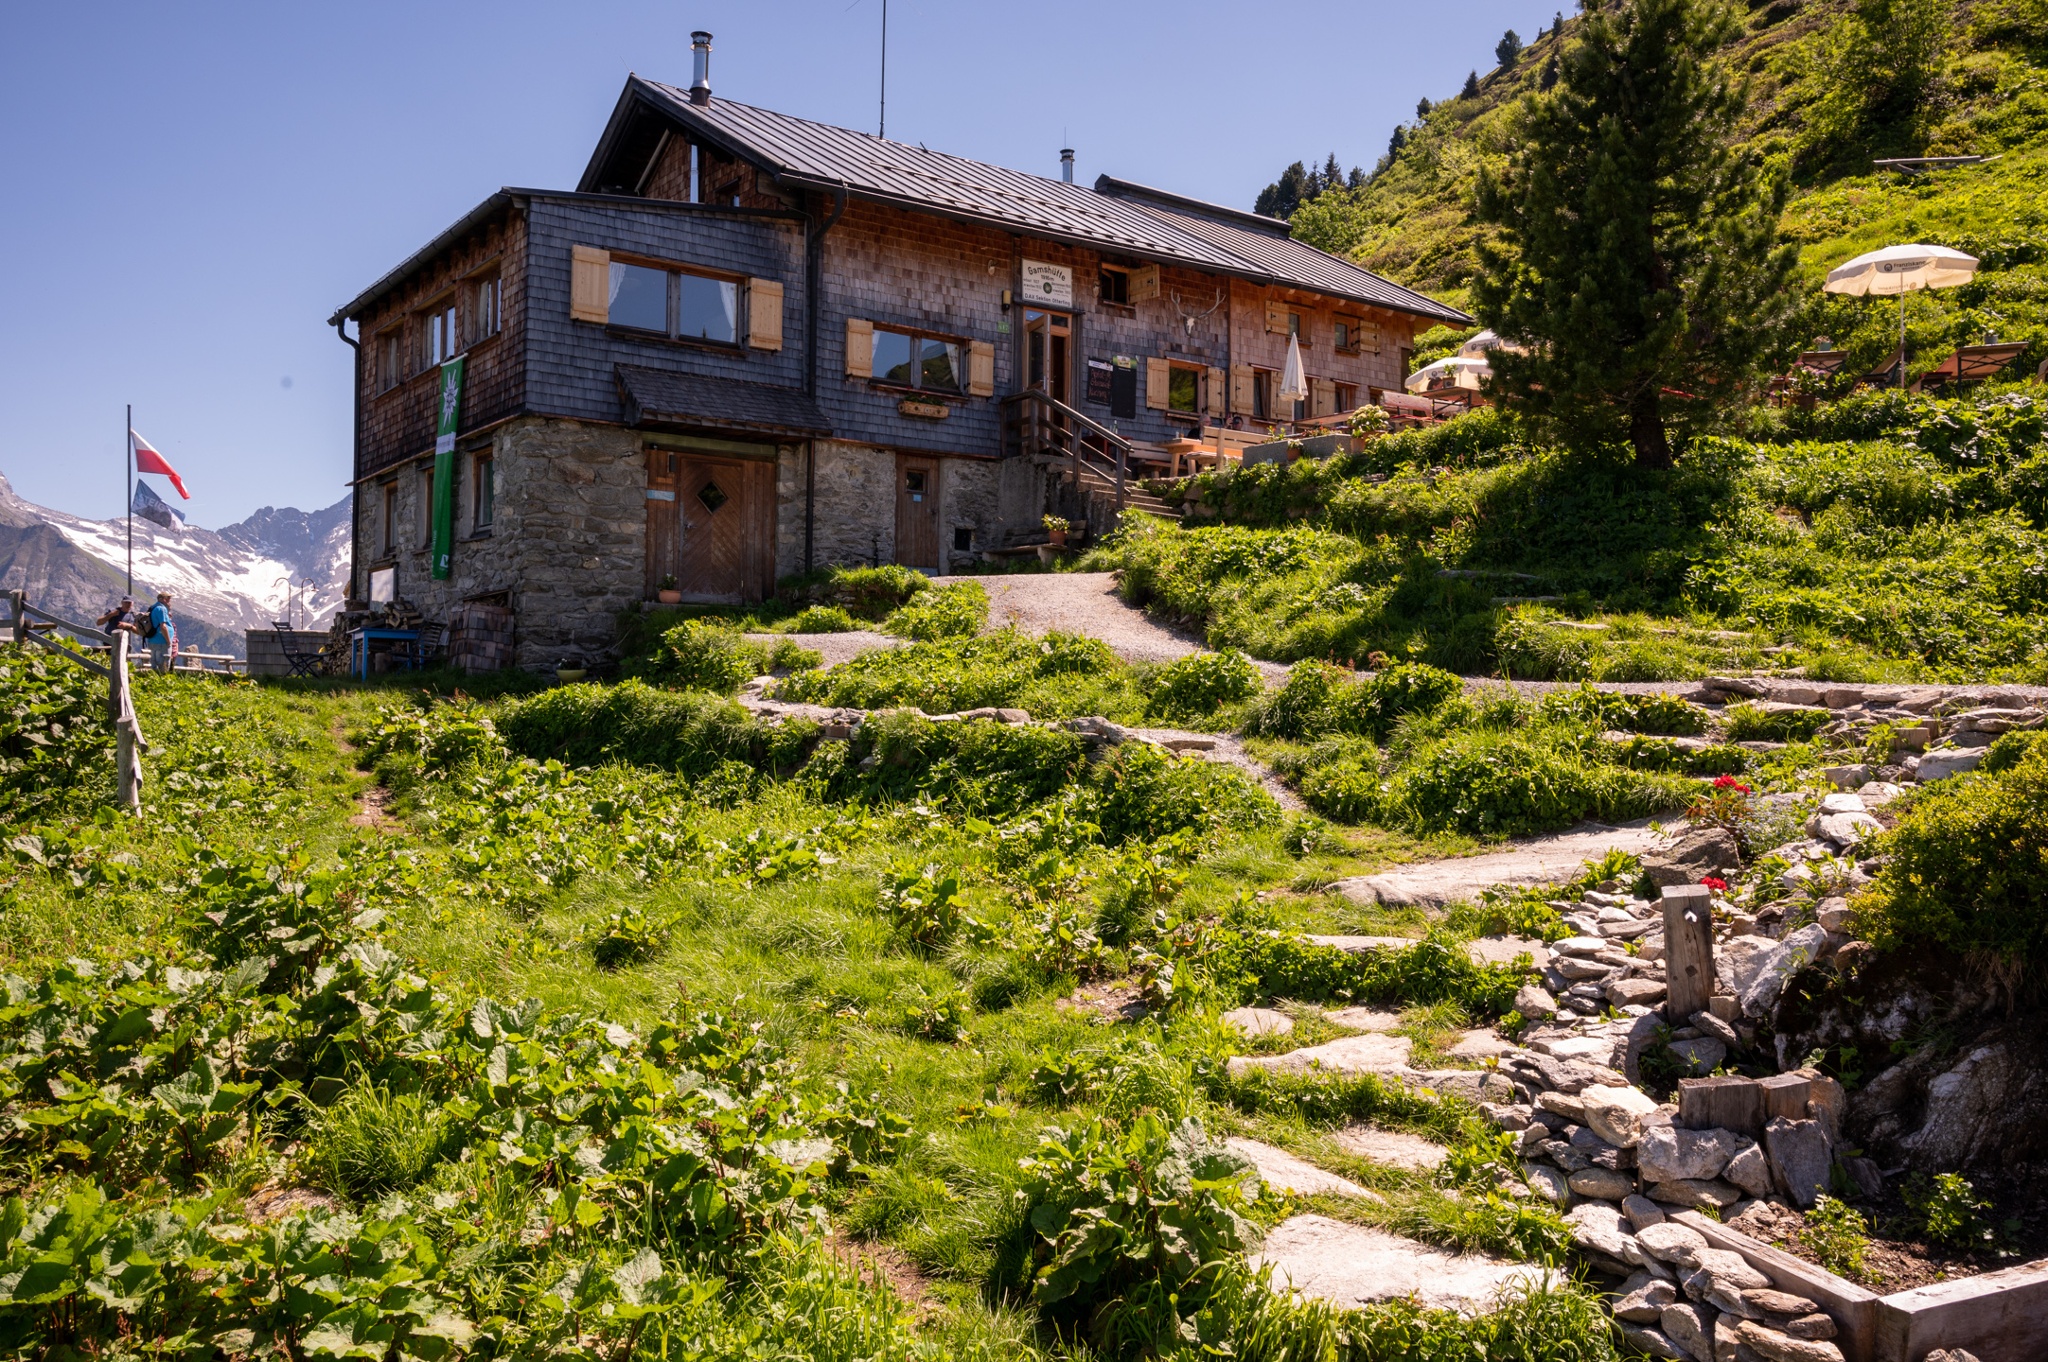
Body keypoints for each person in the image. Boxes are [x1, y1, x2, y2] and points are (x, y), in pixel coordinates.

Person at [138, 590, 177, 673]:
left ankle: (154, 679)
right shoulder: (161, 609)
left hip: (154, 640)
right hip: (162, 642)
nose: (169, 600)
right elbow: (163, 626)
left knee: (154, 663)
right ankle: (162, 681)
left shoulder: (154, 608)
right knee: (163, 665)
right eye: (168, 598)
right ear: (162, 599)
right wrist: (168, 641)